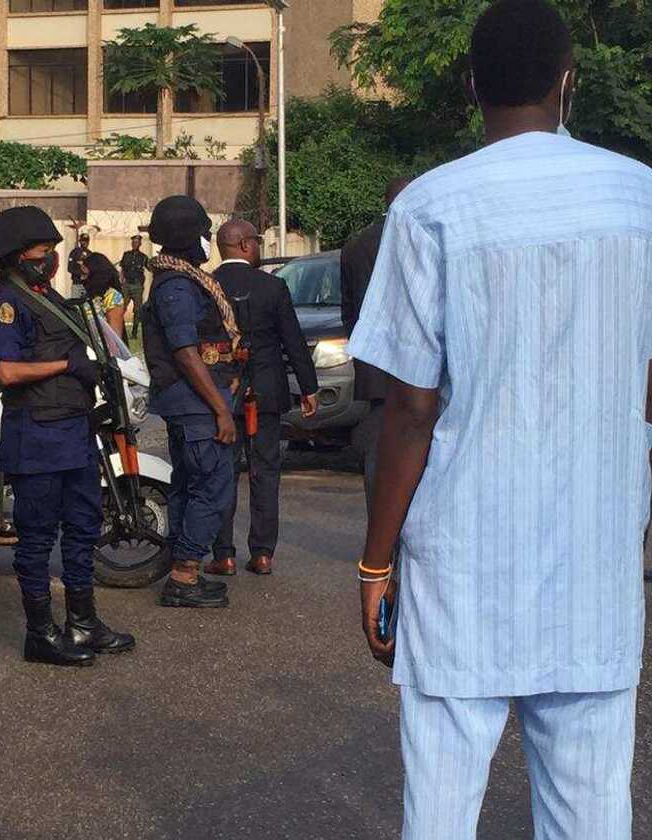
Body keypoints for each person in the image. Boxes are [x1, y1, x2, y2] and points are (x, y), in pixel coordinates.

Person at [350, 2, 652, 837]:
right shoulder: (641, 199)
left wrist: (376, 564)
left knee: (441, 811)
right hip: (595, 559)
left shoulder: (431, 206)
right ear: (569, 81)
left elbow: (410, 405)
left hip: (464, 559)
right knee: (591, 812)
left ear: (474, 84)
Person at [0, 206, 133, 667]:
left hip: (74, 431)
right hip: (37, 434)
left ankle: (83, 623)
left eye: (51, 252)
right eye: (42, 252)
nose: (50, 260)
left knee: (84, 528)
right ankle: (41, 633)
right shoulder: (7, 301)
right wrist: (68, 365)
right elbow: (6, 370)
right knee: (38, 537)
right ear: (17, 256)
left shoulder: (48, 297)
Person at [141, 196, 239, 609]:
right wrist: (219, 407)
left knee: (189, 483)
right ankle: (184, 575)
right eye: (201, 234)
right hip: (196, 404)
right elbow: (185, 350)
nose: (206, 243)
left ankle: (184, 567)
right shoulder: (177, 285)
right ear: (186, 237)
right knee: (212, 484)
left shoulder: (181, 278)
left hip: (193, 402)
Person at [207, 219, 318, 577]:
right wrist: (308, 387)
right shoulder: (274, 287)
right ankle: (262, 553)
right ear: (243, 245)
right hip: (267, 393)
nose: (258, 246)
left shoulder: (206, 286)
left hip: (220, 395)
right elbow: (293, 342)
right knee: (265, 472)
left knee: (222, 472)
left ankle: (222, 555)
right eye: (256, 241)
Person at [340, 176, 412, 513]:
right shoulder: (417, 238)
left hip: (373, 364)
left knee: (378, 448)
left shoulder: (356, 244)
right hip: (415, 360)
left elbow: (349, 308)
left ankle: (379, 532)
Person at [81, 252, 127, 339]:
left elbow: (115, 338)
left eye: (85, 274)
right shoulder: (89, 295)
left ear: (96, 274)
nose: (81, 278)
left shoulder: (112, 297)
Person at [119, 234, 149, 340]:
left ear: (140, 244)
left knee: (137, 310)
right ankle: (120, 331)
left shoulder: (143, 257)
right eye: (133, 242)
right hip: (126, 285)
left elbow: (149, 268)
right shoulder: (126, 255)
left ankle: (134, 333)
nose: (134, 244)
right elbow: (122, 269)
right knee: (121, 308)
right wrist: (121, 281)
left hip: (137, 286)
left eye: (136, 242)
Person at [67, 231, 90, 296]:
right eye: (83, 240)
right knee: (76, 302)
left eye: (86, 241)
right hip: (77, 283)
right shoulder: (74, 252)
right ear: (80, 241)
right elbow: (70, 268)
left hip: (87, 284)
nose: (85, 243)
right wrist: (80, 275)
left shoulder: (90, 253)